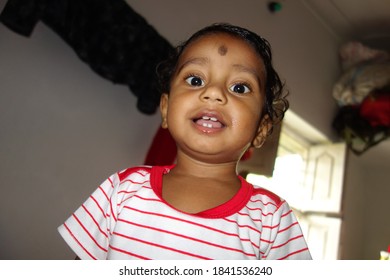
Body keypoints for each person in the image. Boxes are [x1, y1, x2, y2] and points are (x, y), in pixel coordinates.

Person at [58, 23, 312, 260]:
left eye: (240, 88)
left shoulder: (271, 219)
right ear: (166, 109)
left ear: (261, 129)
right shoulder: (122, 188)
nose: (213, 92)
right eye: (195, 80)